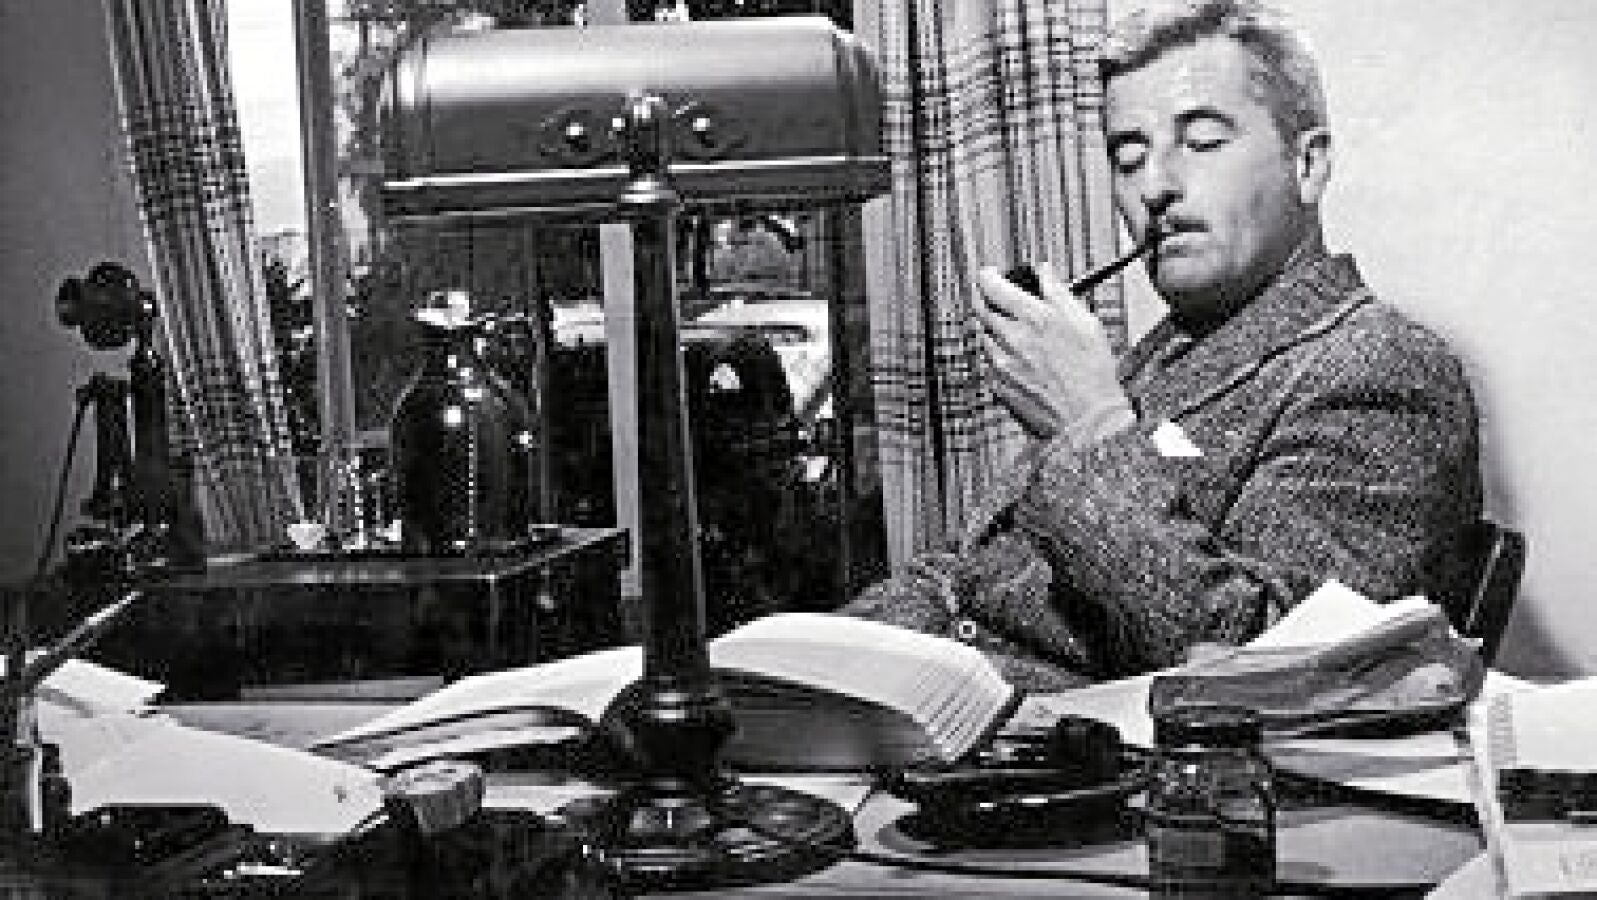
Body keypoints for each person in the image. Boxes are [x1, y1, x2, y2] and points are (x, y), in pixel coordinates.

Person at [842, 0, 1483, 690]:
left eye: (1201, 143)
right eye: (1129, 156)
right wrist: (831, 651)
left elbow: (1266, 663)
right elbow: (969, 569)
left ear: (1307, 163)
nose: (1152, 186)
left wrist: (1088, 426)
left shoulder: (1380, 368)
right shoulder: (1165, 351)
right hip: (942, 706)